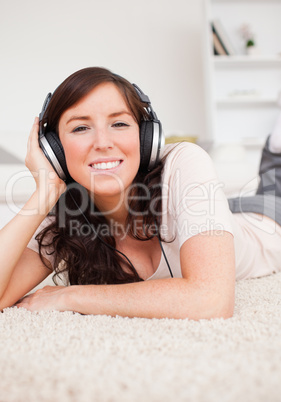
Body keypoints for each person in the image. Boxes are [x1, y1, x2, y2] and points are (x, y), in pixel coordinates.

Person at [0, 67, 280, 320]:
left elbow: (211, 300)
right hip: (215, 212)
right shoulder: (66, 215)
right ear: (55, 150)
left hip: (267, 217)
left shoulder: (183, 162)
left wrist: (69, 296)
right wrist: (44, 193)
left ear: (146, 138)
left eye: (119, 123)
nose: (103, 143)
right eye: (81, 127)